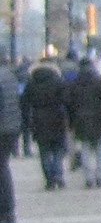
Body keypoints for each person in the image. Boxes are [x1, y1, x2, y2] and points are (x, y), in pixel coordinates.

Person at [68, 57, 101, 189]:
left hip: (81, 120)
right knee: (99, 150)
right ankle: (100, 177)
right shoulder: (100, 83)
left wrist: (71, 122)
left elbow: (70, 105)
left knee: (85, 149)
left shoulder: (75, 84)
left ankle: (88, 178)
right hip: (98, 119)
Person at [22, 56, 68, 191]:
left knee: (44, 150)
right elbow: (66, 100)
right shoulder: (59, 82)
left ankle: (49, 178)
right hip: (57, 117)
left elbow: (25, 102)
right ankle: (57, 173)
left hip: (38, 118)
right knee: (58, 149)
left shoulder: (32, 83)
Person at [0, 63, 17, 223]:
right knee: (3, 167)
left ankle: (5, 210)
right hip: (11, 127)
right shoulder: (9, 75)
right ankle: (8, 211)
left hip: (2, 127)